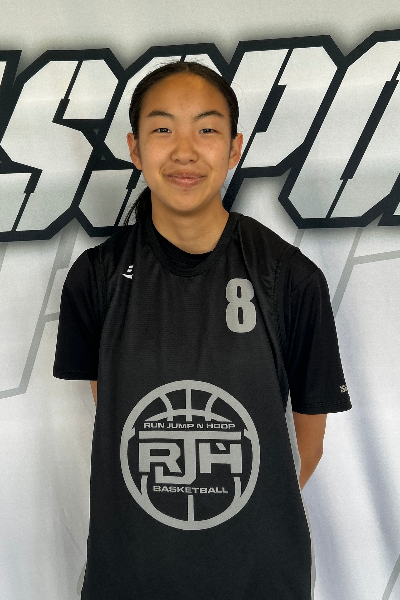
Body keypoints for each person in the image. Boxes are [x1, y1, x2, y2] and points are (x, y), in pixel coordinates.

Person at [53, 61, 351, 600]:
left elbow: (307, 447)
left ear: (235, 148)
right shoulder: (96, 277)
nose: (185, 151)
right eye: (163, 129)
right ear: (135, 148)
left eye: (207, 129)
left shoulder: (289, 277)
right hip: (132, 576)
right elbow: (119, 416)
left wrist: (229, 510)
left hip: (260, 578)